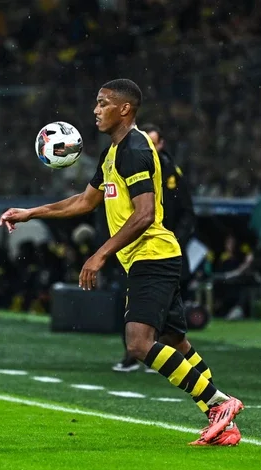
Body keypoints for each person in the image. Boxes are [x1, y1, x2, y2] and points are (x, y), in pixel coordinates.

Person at [0, 79, 243, 446]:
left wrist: (99, 254)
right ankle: (224, 419)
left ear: (124, 109)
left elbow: (144, 215)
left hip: (152, 257)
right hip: (150, 258)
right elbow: (84, 202)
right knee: (175, 341)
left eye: (102, 103)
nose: (95, 110)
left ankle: (217, 404)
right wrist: (31, 213)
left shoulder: (134, 150)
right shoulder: (113, 153)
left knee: (139, 345)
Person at [112, 123, 197, 373]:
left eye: (153, 142)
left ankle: (153, 352)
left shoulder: (171, 173)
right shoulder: (126, 163)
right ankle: (135, 353)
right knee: (130, 305)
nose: (147, 146)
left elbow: (186, 213)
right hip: (133, 249)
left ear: (160, 145)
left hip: (162, 251)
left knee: (170, 322)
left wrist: (174, 238)